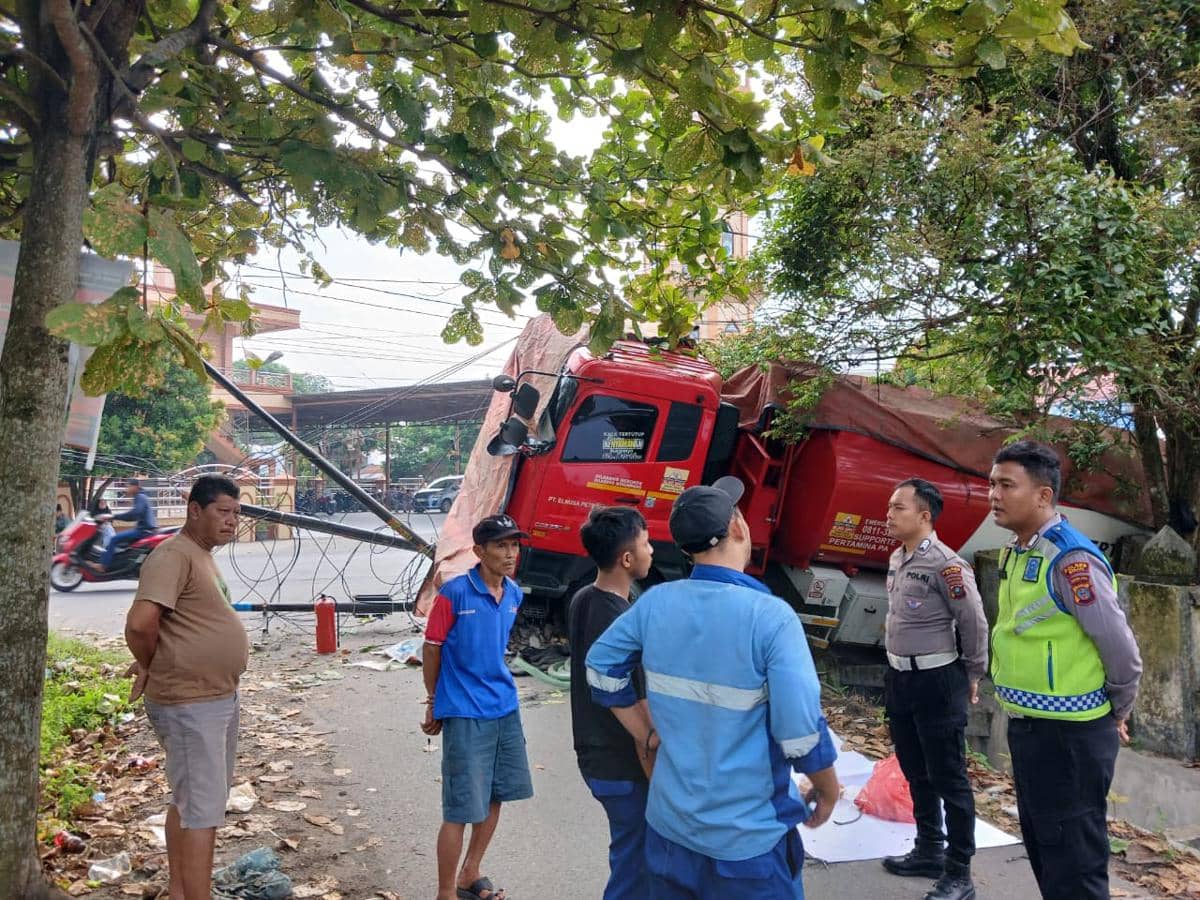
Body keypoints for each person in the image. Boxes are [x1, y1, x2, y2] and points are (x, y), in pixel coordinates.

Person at [586, 476, 840, 899]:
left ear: (687, 549)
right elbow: (799, 730)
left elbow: (600, 669)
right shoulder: (771, 617)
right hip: (747, 845)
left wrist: (647, 733)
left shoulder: (654, 603)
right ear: (739, 527)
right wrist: (828, 790)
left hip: (669, 830)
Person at [988, 441, 1142, 899]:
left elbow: (1120, 648)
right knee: (1046, 849)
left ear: (1043, 496)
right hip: (1032, 729)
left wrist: (1119, 708)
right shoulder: (1017, 551)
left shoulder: (1070, 559)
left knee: (1075, 863)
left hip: (1071, 737)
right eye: (992, 483)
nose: (994, 494)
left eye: (1006, 485)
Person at [124, 475, 247, 900]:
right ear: (195, 510)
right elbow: (141, 624)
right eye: (222, 512)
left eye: (236, 513)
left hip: (215, 696)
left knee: (192, 801)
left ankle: (181, 891)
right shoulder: (173, 555)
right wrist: (148, 663)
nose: (231, 522)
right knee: (202, 811)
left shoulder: (200, 554)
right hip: (191, 703)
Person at [881, 478, 989, 900]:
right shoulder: (898, 558)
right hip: (901, 679)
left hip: (938, 681)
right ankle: (929, 849)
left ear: (924, 516)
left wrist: (974, 674)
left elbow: (974, 622)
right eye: (889, 507)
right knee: (915, 769)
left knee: (950, 777)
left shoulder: (947, 565)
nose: (889, 515)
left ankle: (959, 872)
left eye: (898, 508)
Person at [422, 514, 535, 900]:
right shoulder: (454, 594)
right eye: (501, 545)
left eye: (514, 545)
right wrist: (433, 701)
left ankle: (470, 873)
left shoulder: (514, 594)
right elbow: (432, 647)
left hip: (504, 707)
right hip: (465, 711)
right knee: (460, 806)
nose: (510, 553)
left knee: (494, 794)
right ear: (479, 551)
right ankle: (444, 892)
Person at [569, 507, 657, 900]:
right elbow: (635, 708)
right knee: (635, 866)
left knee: (633, 858)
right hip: (621, 763)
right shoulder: (620, 623)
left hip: (596, 755)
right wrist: (658, 770)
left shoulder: (585, 597)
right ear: (627, 559)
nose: (652, 550)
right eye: (646, 543)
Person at [96, 478, 158, 571]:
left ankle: (103, 566)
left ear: (135, 487)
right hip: (144, 530)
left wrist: (113, 517)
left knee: (113, 539)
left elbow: (134, 514)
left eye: (128, 486)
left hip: (144, 531)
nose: (127, 488)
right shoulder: (141, 496)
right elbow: (133, 515)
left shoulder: (140, 497)